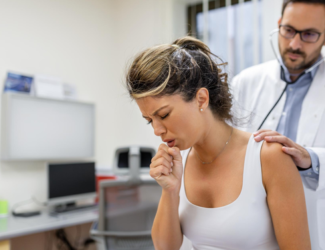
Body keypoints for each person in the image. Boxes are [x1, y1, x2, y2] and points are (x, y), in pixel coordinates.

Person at [125, 36, 311, 250]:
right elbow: (165, 247)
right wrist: (170, 191)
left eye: (164, 115)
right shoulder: (178, 161)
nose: (157, 131)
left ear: (201, 99)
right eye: (150, 121)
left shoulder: (268, 156)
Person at [230, 0, 325, 249]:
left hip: (316, 227)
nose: (295, 44)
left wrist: (310, 158)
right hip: (252, 225)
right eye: (288, 31)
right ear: (279, 25)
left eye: (309, 34)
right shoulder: (246, 81)